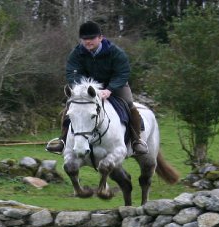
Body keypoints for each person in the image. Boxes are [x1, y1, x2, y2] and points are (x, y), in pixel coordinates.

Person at [46, 21, 148, 155]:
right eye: (85, 39)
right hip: (88, 88)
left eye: (92, 38)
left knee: (129, 104)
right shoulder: (76, 53)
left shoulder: (116, 52)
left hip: (115, 85)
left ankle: (136, 140)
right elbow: (72, 73)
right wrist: (83, 88)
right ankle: (63, 140)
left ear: (100, 38)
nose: (88, 42)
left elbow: (122, 73)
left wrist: (109, 89)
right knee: (70, 106)